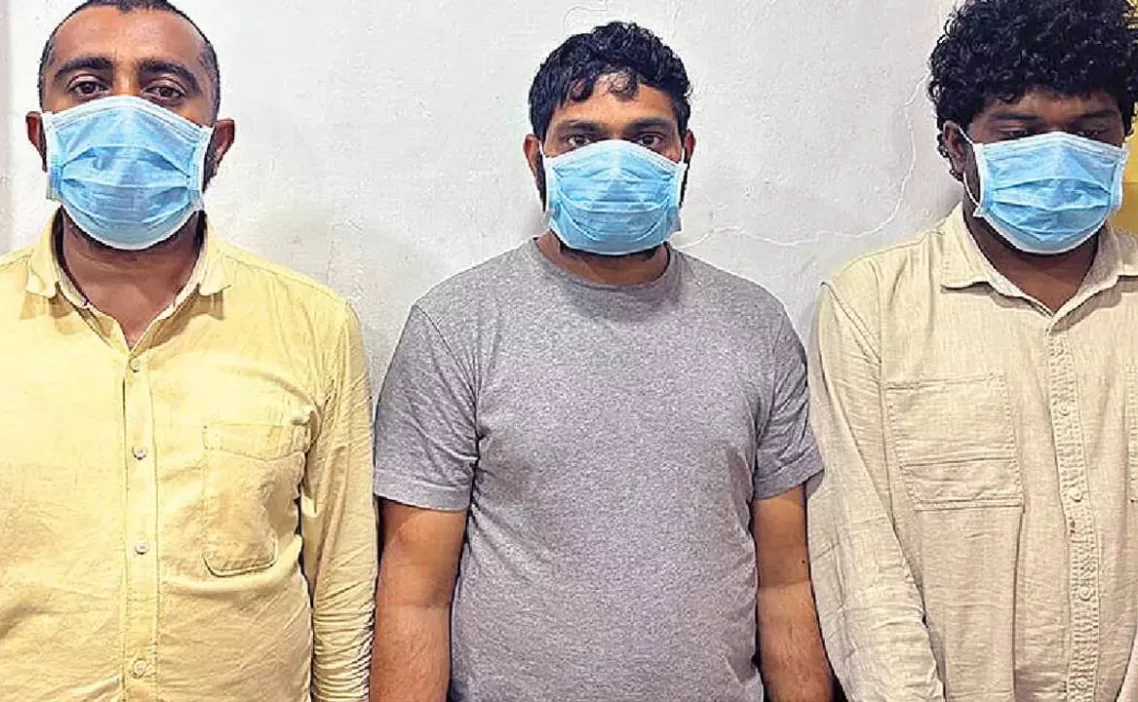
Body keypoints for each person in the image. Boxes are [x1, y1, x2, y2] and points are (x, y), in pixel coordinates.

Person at [370, 21, 832, 702]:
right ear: (537, 158)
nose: (616, 166)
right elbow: (415, 593)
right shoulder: (457, 326)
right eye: (582, 139)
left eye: (646, 138)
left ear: (684, 153)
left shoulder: (755, 326)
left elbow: (785, 583)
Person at [0, 2, 376, 700]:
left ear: (216, 143)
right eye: (89, 87)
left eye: (163, 90)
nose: (126, 112)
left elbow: (342, 575)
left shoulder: (315, 326)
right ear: (42, 135)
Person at [807, 0, 1138, 699]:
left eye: (1089, 132)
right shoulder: (872, 308)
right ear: (958, 149)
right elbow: (862, 564)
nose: (1058, 157)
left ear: (1123, 138)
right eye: (1020, 134)